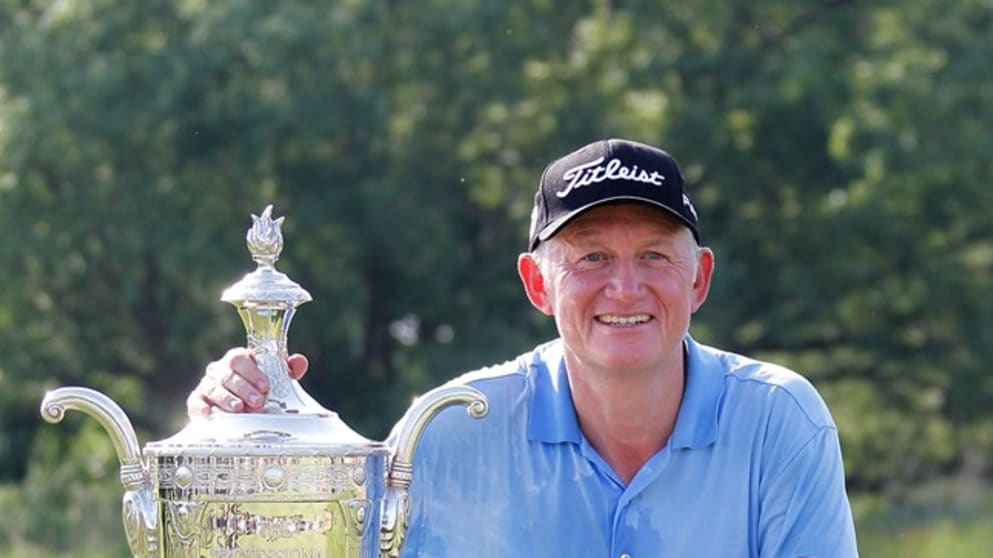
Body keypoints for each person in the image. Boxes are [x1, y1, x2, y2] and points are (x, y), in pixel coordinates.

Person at [188, 138, 859, 557]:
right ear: (536, 283)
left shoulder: (780, 422)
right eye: (591, 256)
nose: (624, 288)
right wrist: (245, 425)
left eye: (653, 255)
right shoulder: (449, 431)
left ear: (699, 278)